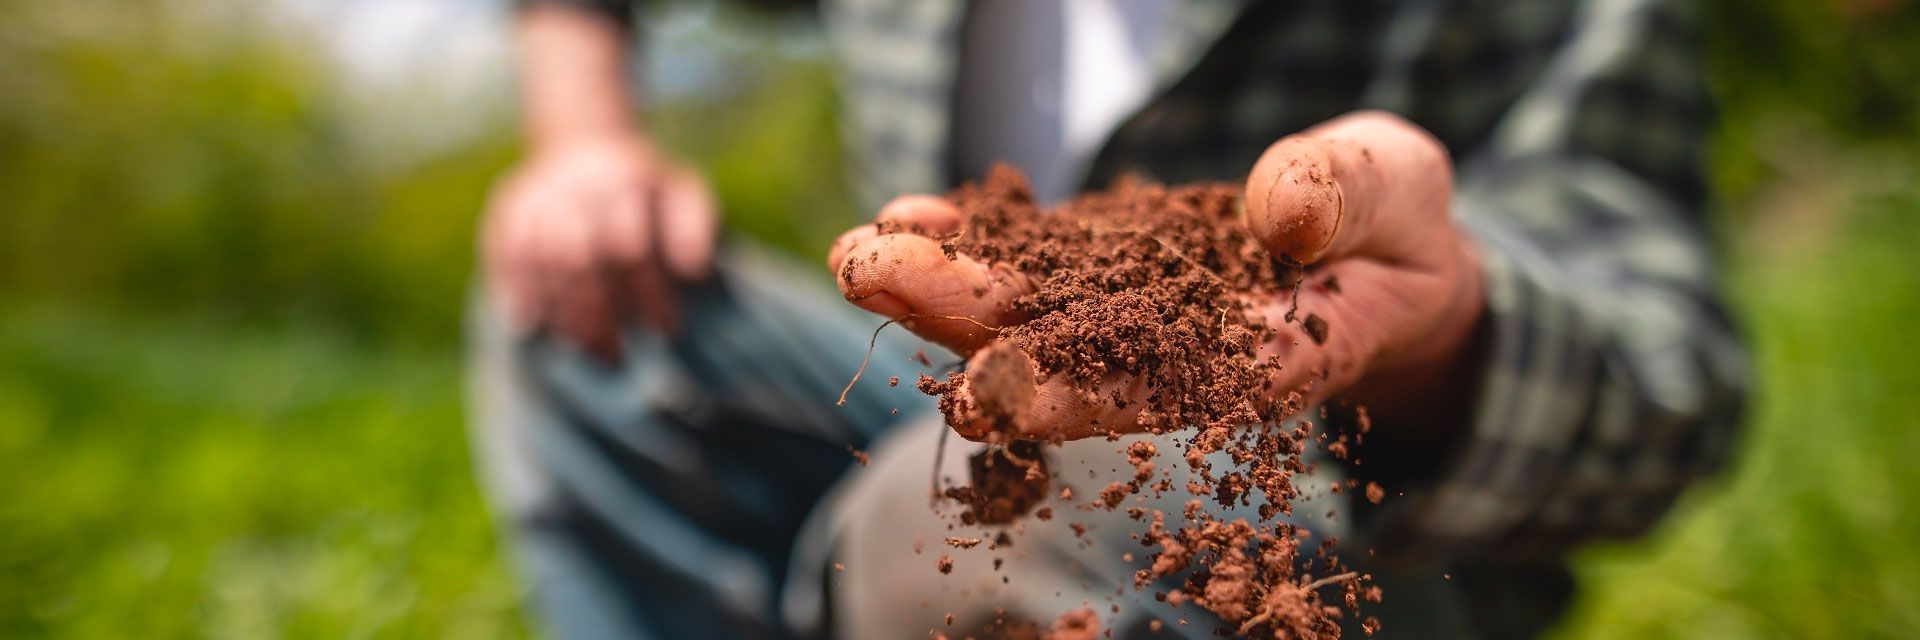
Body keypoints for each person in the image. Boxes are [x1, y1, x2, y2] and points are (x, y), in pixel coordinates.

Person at [469, 0, 1749, 638]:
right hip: (947, 386)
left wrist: (1439, 321)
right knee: (584, 315)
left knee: (943, 514)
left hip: (1340, 498)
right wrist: (583, 139)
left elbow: (1673, 363)